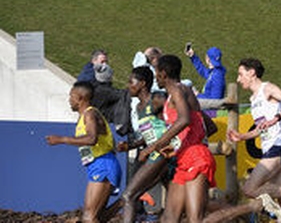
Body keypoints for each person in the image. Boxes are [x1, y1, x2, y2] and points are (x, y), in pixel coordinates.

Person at [226, 58, 281, 221]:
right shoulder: (253, 100)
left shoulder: (267, 88)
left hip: (279, 146)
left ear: (251, 72)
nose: (238, 80)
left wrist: (277, 118)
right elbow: (261, 129)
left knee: (249, 189)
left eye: (240, 74)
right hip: (271, 148)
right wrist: (242, 136)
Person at [138, 54, 216, 223]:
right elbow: (209, 127)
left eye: (156, 73)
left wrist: (153, 147)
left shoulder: (176, 90)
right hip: (184, 158)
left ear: (163, 74)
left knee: (195, 219)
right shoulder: (185, 92)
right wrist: (178, 145)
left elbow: (184, 120)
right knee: (169, 218)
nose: (155, 77)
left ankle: (251, 207)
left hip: (196, 159)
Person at [46, 81, 122, 223]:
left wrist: (62, 139)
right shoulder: (84, 117)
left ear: (81, 98)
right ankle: (127, 201)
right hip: (96, 165)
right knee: (94, 217)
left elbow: (92, 138)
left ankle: (129, 200)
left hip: (103, 163)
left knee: (89, 217)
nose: (69, 100)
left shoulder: (90, 114)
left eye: (72, 96)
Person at [113, 66, 170, 223]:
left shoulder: (157, 100)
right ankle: (231, 211)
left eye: (131, 82)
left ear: (143, 84)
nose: (128, 85)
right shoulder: (138, 107)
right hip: (158, 155)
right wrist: (130, 146)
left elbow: (176, 120)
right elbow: (151, 134)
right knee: (179, 204)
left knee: (129, 195)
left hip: (163, 155)